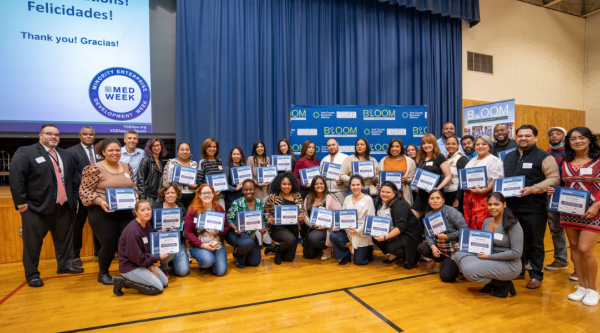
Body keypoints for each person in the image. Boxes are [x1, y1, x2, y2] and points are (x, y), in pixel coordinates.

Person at [9, 124, 83, 287]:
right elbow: (16, 178)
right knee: (32, 244)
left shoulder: (65, 155)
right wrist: (21, 203)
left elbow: (74, 179)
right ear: (40, 135)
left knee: (64, 240)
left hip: (63, 207)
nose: (54, 137)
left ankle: (65, 265)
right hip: (36, 208)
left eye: (56, 134)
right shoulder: (26, 152)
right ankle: (32, 274)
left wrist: (75, 198)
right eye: (49, 134)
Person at [547, 127, 600, 306]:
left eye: (581, 138)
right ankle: (583, 286)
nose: (577, 141)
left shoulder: (599, 160)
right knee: (575, 247)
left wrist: (597, 205)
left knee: (586, 249)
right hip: (569, 210)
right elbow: (565, 184)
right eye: (573, 139)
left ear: (590, 140)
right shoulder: (565, 161)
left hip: (594, 211)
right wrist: (554, 190)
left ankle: (593, 290)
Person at [503, 125, 560, 289]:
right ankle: (518, 270)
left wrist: (533, 189)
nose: (523, 138)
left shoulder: (544, 156)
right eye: (520, 136)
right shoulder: (508, 157)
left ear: (535, 137)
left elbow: (554, 178)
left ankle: (536, 274)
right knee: (515, 242)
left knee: (535, 242)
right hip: (512, 208)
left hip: (534, 207)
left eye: (527, 136)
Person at [80, 137, 137, 285]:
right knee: (110, 243)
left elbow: (132, 185)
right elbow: (84, 191)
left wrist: (135, 193)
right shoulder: (94, 168)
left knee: (127, 242)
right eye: (111, 150)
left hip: (125, 211)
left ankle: (129, 271)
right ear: (103, 152)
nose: (115, 153)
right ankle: (103, 273)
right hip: (102, 212)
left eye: (117, 150)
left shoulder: (127, 167)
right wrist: (100, 202)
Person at [454, 192, 523, 298]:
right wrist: (464, 246)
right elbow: (482, 245)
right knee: (458, 254)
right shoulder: (486, 222)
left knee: (469, 271)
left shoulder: (513, 224)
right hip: (489, 259)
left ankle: (504, 284)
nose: (492, 207)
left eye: (496, 204)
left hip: (509, 264)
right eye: (490, 204)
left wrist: (489, 257)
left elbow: (516, 252)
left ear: (504, 204)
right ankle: (490, 284)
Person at [112, 200, 169, 296]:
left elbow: (147, 248)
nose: (147, 212)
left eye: (148, 209)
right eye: (143, 210)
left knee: (164, 282)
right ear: (136, 212)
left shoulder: (147, 224)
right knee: (158, 288)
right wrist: (157, 257)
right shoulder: (133, 231)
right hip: (130, 266)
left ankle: (136, 280)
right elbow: (137, 257)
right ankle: (123, 281)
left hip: (142, 262)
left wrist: (150, 265)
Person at [67, 125, 101, 266]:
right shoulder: (71, 152)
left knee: (99, 224)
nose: (88, 136)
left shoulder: (101, 151)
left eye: (91, 134)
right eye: (85, 134)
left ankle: (99, 252)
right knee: (77, 226)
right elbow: (70, 176)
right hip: (80, 196)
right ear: (80, 136)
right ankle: (75, 255)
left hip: (99, 195)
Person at [417, 190, 466, 282]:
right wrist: (432, 246)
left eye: (438, 198)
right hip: (440, 248)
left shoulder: (451, 212)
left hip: (454, 250)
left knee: (446, 277)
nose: (435, 201)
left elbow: (465, 230)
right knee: (421, 247)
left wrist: (447, 237)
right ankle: (443, 261)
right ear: (429, 201)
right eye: (432, 198)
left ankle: (457, 264)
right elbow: (428, 235)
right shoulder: (429, 215)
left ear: (443, 200)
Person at [372, 182, 421, 269]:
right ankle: (393, 255)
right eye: (383, 191)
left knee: (392, 247)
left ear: (394, 193)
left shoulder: (400, 205)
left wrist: (384, 237)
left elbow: (400, 227)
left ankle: (409, 257)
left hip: (408, 234)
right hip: (393, 229)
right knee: (374, 236)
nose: (384, 194)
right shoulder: (381, 201)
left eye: (388, 192)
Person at [184, 184, 230, 276]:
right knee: (207, 260)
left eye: (209, 192)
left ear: (213, 194)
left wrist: (217, 231)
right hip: (199, 245)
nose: (206, 195)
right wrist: (202, 245)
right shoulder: (193, 210)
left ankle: (211, 261)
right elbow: (188, 232)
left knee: (220, 272)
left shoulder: (219, 209)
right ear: (199, 195)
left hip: (217, 244)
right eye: (204, 193)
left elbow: (226, 227)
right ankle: (203, 264)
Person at [329, 175, 375, 265]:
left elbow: (370, 220)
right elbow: (342, 216)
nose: (355, 187)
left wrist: (358, 230)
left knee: (359, 262)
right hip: (348, 230)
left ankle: (368, 250)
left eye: (358, 185)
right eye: (353, 185)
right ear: (350, 186)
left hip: (361, 232)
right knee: (334, 235)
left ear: (362, 186)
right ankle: (345, 255)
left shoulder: (368, 199)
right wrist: (336, 225)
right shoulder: (347, 198)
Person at [264, 172, 306, 264]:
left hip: (293, 228)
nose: (287, 186)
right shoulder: (273, 197)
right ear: (279, 184)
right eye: (284, 184)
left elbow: (302, 210)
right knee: (290, 239)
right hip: (278, 228)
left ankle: (275, 248)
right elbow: (265, 212)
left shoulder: (297, 195)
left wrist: (302, 217)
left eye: (289, 184)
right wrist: (269, 219)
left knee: (288, 258)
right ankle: (278, 251)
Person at [463, 135, 504, 230]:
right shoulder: (472, 160)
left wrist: (482, 191)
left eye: (483, 144)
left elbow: (495, 180)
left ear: (489, 146)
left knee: (480, 224)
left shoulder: (495, 160)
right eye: (477, 144)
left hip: (483, 197)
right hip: (468, 197)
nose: (480, 146)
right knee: (468, 224)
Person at [544, 126, 570, 272]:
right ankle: (561, 259)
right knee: (555, 229)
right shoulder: (545, 153)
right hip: (549, 196)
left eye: (557, 134)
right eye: (551, 134)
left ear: (564, 137)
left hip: (567, 196)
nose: (554, 136)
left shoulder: (569, 154)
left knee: (573, 230)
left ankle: (578, 268)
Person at [226, 179, 267, 268]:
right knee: (245, 250)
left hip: (251, 236)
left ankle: (243, 251)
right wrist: (235, 228)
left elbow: (262, 220)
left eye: (251, 189)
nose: (248, 192)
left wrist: (263, 228)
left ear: (255, 190)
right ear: (242, 190)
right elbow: (229, 219)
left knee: (254, 262)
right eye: (245, 190)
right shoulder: (237, 203)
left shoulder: (260, 203)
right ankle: (237, 253)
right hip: (236, 234)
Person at [152, 182, 190, 277]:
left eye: (173, 193)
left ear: (177, 194)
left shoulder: (182, 209)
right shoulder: (155, 208)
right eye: (167, 193)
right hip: (161, 242)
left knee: (183, 271)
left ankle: (172, 262)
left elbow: (186, 229)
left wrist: (181, 228)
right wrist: (157, 231)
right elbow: (148, 228)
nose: (170, 195)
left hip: (177, 241)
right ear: (163, 194)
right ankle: (164, 267)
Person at [411, 134, 452, 218]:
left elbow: (448, 176)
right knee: (411, 218)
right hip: (421, 195)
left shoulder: (440, 157)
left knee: (430, 221)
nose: (426, 145)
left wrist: (438, 188)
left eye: (429, 143)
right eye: (424, 143)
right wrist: (415, 177)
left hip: (434, 194)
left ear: (434, 144)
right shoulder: (421, 158)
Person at [303, 176, 342, 260]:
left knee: (313, 238)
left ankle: (328, 248)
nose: (319, 185)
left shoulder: (331, 197)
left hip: (327, 229)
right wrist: (312, 225)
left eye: (321, 183)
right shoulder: (308, 198)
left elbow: (338, 215)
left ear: (325, 185)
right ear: (313, 185)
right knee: (308, 254)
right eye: (316, 184)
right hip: (314, 228)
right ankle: (322, 246)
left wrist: (327, 226)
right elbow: (305, 215)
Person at [377, 138, 416, 205]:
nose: (394, 148)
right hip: (386, 197)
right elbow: (378, 175)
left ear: (401, 148)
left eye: (397, 146)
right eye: (392, 146)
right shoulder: (383, 160)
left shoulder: (409, 161)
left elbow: (414, 178)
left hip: (403, 196)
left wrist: (407, 180)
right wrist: (378, 184)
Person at [162, 142, 198, 209]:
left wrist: (195, 186)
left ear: (190, 151)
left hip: (191, 196)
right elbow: (165, 181)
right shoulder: (171, 162)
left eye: (187, 150)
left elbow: (197, 181)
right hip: (176, 196)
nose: (185, 152)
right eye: (182, 150)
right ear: (178, 151)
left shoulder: (194, 164)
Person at [136, 137, 167, 205]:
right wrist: (142, 198)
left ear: (161, 146)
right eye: (154, 146)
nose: (156, 147)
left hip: (159, 195)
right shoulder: (146, 160)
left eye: (158, 145)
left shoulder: (162, 162)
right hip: (148, 195)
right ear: (150, 147)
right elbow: (140, 180)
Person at [197, 138, 226, 208]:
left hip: (219, 196)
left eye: (214, 147)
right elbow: (199, 182)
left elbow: (222, 179)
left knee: (221, 215)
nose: (212, 149)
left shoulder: (220, 162)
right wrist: (211, 191)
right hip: (207, 197)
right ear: (205, 149)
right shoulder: (202, 162)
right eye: (209, 147)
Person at [320, 138, 349, 205]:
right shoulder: (324, 160)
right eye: (329, 145)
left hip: (340, 192)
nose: (331, 147)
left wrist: (343, 181)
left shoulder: (345, 158)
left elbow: (351, 176)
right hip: (326, 193)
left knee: (341, 212)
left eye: (333, 145)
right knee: (327, 213)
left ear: (337, 144)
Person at [443, 136, 469, 210]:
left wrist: (457, 199)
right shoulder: (445, 158)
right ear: (445, 145)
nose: (450, 146)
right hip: (446, 193)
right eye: (448, 144)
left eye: (453, 144)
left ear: (458, 145)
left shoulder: (462, 158)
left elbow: (463, 181)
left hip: (456, 194)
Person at [223, 146, 246, 211]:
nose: (236, 156)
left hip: (242, 198)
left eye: (238, 154)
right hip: (231, 199)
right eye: (234, 154)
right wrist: (235, 189)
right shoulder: (227, 168)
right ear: (231, 156)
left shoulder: (244, 168)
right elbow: (224, 185)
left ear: (241, 156)